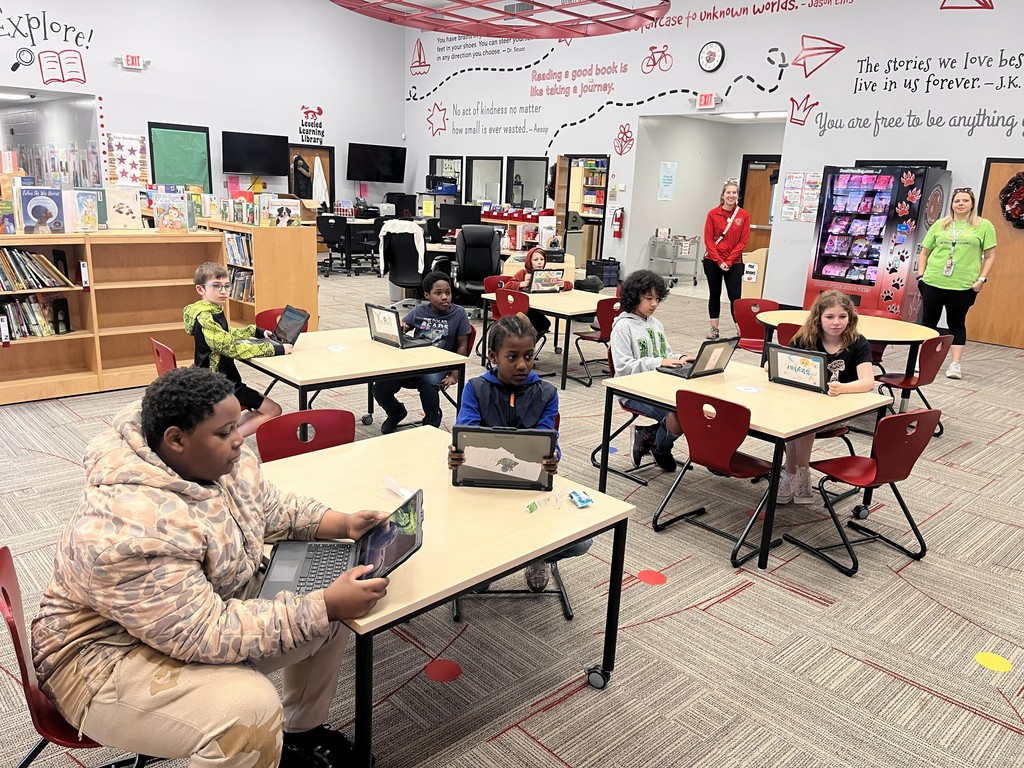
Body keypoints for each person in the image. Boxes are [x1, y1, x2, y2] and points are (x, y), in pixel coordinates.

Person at [31, 367, 391, 768]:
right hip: (103, 658)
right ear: (176, 440)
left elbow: (266, 508)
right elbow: (204, 634)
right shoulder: (132, 526)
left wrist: (341, 523)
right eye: (224, 433)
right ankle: (259, 745)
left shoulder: (214, 458)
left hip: (188, 610)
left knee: (327, 599)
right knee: (247, 714)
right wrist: (323, 605)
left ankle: (301, 735)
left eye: (236, 425)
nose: (239, 440)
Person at [448, 314, 590, 591]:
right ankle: (487, 561)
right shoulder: (475, 389)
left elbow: (548, 436)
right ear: (493, 356)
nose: (522, 364)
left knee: (583, 541)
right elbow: (466, 433)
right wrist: (457, 453)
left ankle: (537, 556)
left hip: (530, 484)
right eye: (512, 357)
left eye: (528, 355)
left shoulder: (546, 392)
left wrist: (553, 456)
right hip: (483, 484)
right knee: (452, 525)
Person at [777, 290, 874, 504]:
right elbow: (780, 363)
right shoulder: (805, 338)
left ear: (850, 318)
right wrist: (772, 366)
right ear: (818, 319)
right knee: (797, 418)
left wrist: (843, 388)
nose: (836, 323)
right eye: (830, 317)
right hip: (803, 407)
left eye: (842, 317)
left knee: (802, 422)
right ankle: (798, 474)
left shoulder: (858, 342)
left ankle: (794, 472)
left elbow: (868, 381)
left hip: (837, 413)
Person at [185, 261, 291, 438]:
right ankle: (225, 444)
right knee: (273, 410)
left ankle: (223, 435)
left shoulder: (207, 310)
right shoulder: (206, 317)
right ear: (200, 289)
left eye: (227, 286)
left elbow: (225, 335)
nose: (224, 291)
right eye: (216, 286)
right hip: (218, 385)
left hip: (215, 379)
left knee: (257, 412)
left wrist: (255, 331)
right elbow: (229, 348)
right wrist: (275, 349)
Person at [609, 269, 692, 473]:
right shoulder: (623, 327)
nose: (654, 304)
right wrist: (657, 362)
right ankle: (659, 446)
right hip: (632, 390)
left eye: (657, 299)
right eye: (648, 298)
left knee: (691, 410)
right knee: (677, 417)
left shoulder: (655, 324)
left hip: (658, 386)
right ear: (634, 297)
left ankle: (649, 435)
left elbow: (665, 353)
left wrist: (678, 358)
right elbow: (623, 367)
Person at [374, 270, 472, 433]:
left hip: (438, 364)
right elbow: (401, 329)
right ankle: (395, 412)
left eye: (448, 293)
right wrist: (401, 329)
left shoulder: (458, 313)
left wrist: (455, 374)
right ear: (427, 295)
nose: (444, 297)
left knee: (429, 381)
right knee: (380, 387)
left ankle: (432, 420)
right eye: (438, 293)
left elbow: (462, 345)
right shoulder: (419, 311)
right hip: (414, 361)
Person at [917, 186, 996, 380]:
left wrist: (981, 280)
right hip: (933, 281)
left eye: (965, 201)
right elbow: (925, 252)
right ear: (952, 204)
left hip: (963, 285)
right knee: (928, 323)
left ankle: (955, 364)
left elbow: (990, 256)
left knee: (956, 323)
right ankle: (921, 362)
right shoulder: (940, 225)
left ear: (972, 204)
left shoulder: (983, 226)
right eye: (957, 201)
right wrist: (921, 276)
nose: (960, 204)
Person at [702, 181, 750, 339]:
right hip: (713, 260)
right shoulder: (712, 214)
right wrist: (718, 260)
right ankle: (714, 329)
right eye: (728, 193)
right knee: (714, 294)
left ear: (738, 195)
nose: (731, 196)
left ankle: (741, 330)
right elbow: (709, 240)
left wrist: (728, 261)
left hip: (734, 262)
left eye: (734, 193)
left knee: (735, 296)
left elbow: (743, 241)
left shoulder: (743, 215)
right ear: (722, 195)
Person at [502, 246, 573, 336]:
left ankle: (530, 340)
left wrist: (563, 285)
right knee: (540, 323)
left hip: (539, 306)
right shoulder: (523, 273)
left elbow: (570, 285)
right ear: (529, 261)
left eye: (542, 259)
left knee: (545, 323)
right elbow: (507, 286)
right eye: (535, 259)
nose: (539, 262)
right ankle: (528, 338)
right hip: (524, 307)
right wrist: (523, 283)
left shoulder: (547, 275)